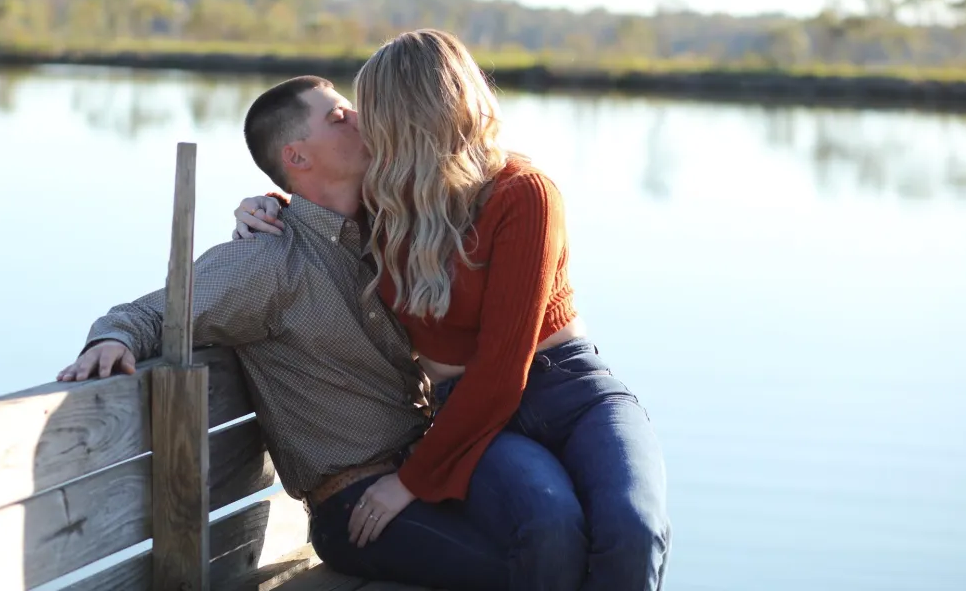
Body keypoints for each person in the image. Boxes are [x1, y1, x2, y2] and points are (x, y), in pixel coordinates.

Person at [56, 75, 585, 590]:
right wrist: (112, 339)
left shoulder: (392, 230)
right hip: (355, 507)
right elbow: (152, 313)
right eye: (338, 116)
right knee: (537, 563)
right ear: (298, 157)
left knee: (572, 531)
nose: (361, 117)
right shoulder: (266, 259)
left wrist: (272, 198)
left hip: (424, 470)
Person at [233, 30, 671, 591]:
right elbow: (319, 203)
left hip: (572, 395)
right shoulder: (384, 203)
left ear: (414, 111)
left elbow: (502, 368)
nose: (361, 122)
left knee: (633, 530)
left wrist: (409, 481)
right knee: (551, 525)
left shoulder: (522, 192)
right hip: (474, 416)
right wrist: (268, 207)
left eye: (370, 108)